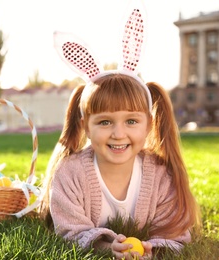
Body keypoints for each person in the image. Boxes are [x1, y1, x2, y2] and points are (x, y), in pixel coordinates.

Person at [40, 8, 201, 260]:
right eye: (104, 122)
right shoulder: (70, 174)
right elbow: (69, 230)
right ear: (85, 125)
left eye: (131, 121)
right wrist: (104, 247)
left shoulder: (160, 176)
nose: (118, 133)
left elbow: (176, 232)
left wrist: (153, 248)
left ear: (148, 124)